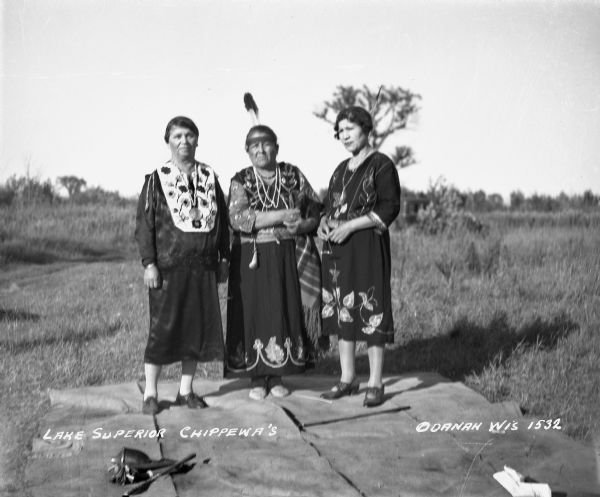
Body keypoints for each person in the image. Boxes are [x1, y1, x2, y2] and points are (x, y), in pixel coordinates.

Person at [135, 116, 230, 415]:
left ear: (197, 140)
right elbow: (144, 225)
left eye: (189, 135)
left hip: (203, 267)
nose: (184, 141)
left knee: (196, 332)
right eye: (177, 136)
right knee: (162, 330)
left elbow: (223, 222)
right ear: (168, 141)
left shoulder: (209, 176)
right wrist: (149, 263)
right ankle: (150, 393)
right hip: (168, 268)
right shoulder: (156, 179)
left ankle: (185, 391)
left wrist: (224, 258)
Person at [226, 125, 322, 400]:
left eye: (266, 144)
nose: (260, 150)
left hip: (286, 255)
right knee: (254, 313)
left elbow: (314, 209)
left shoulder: (292, 174)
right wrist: (282, 214)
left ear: (276, 148)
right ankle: (257, 379)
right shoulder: (241, 179)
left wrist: (302, 224)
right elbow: (241, 218)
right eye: (253, 146)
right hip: (251, 257)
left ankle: (278, 375)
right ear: (247, 151)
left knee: (282, 310)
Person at [318, 106, 401, 408]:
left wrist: (351, 226)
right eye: (340, 130)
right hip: (337, 251)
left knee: (370, 308)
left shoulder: (381, 165)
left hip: (366, 245)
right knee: (343, 310)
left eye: (351, 128)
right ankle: (347, 377)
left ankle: (375, 382)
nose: (345, 135)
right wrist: (325, 222)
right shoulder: (340, 169)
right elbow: (330, 207)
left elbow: (389, 207)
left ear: (366, 129)